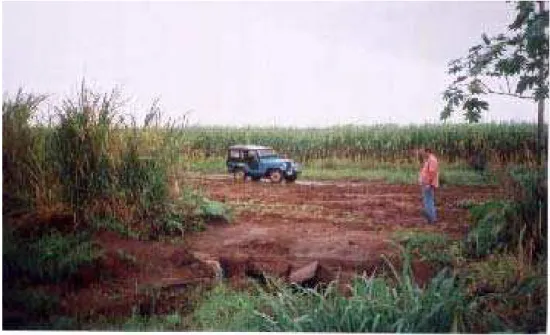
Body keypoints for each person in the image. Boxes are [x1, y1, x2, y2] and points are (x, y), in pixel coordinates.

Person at [419, 148, 439, 224]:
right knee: (427, 201)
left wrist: (428, 183)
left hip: (428, 184)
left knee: (429, 201)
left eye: (424, 153)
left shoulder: (432, 160)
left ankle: (432, 219)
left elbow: (432, 173)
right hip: (426, 184)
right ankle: (430, 218)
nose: (423, 154)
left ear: (428, 152)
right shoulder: (429, 159)